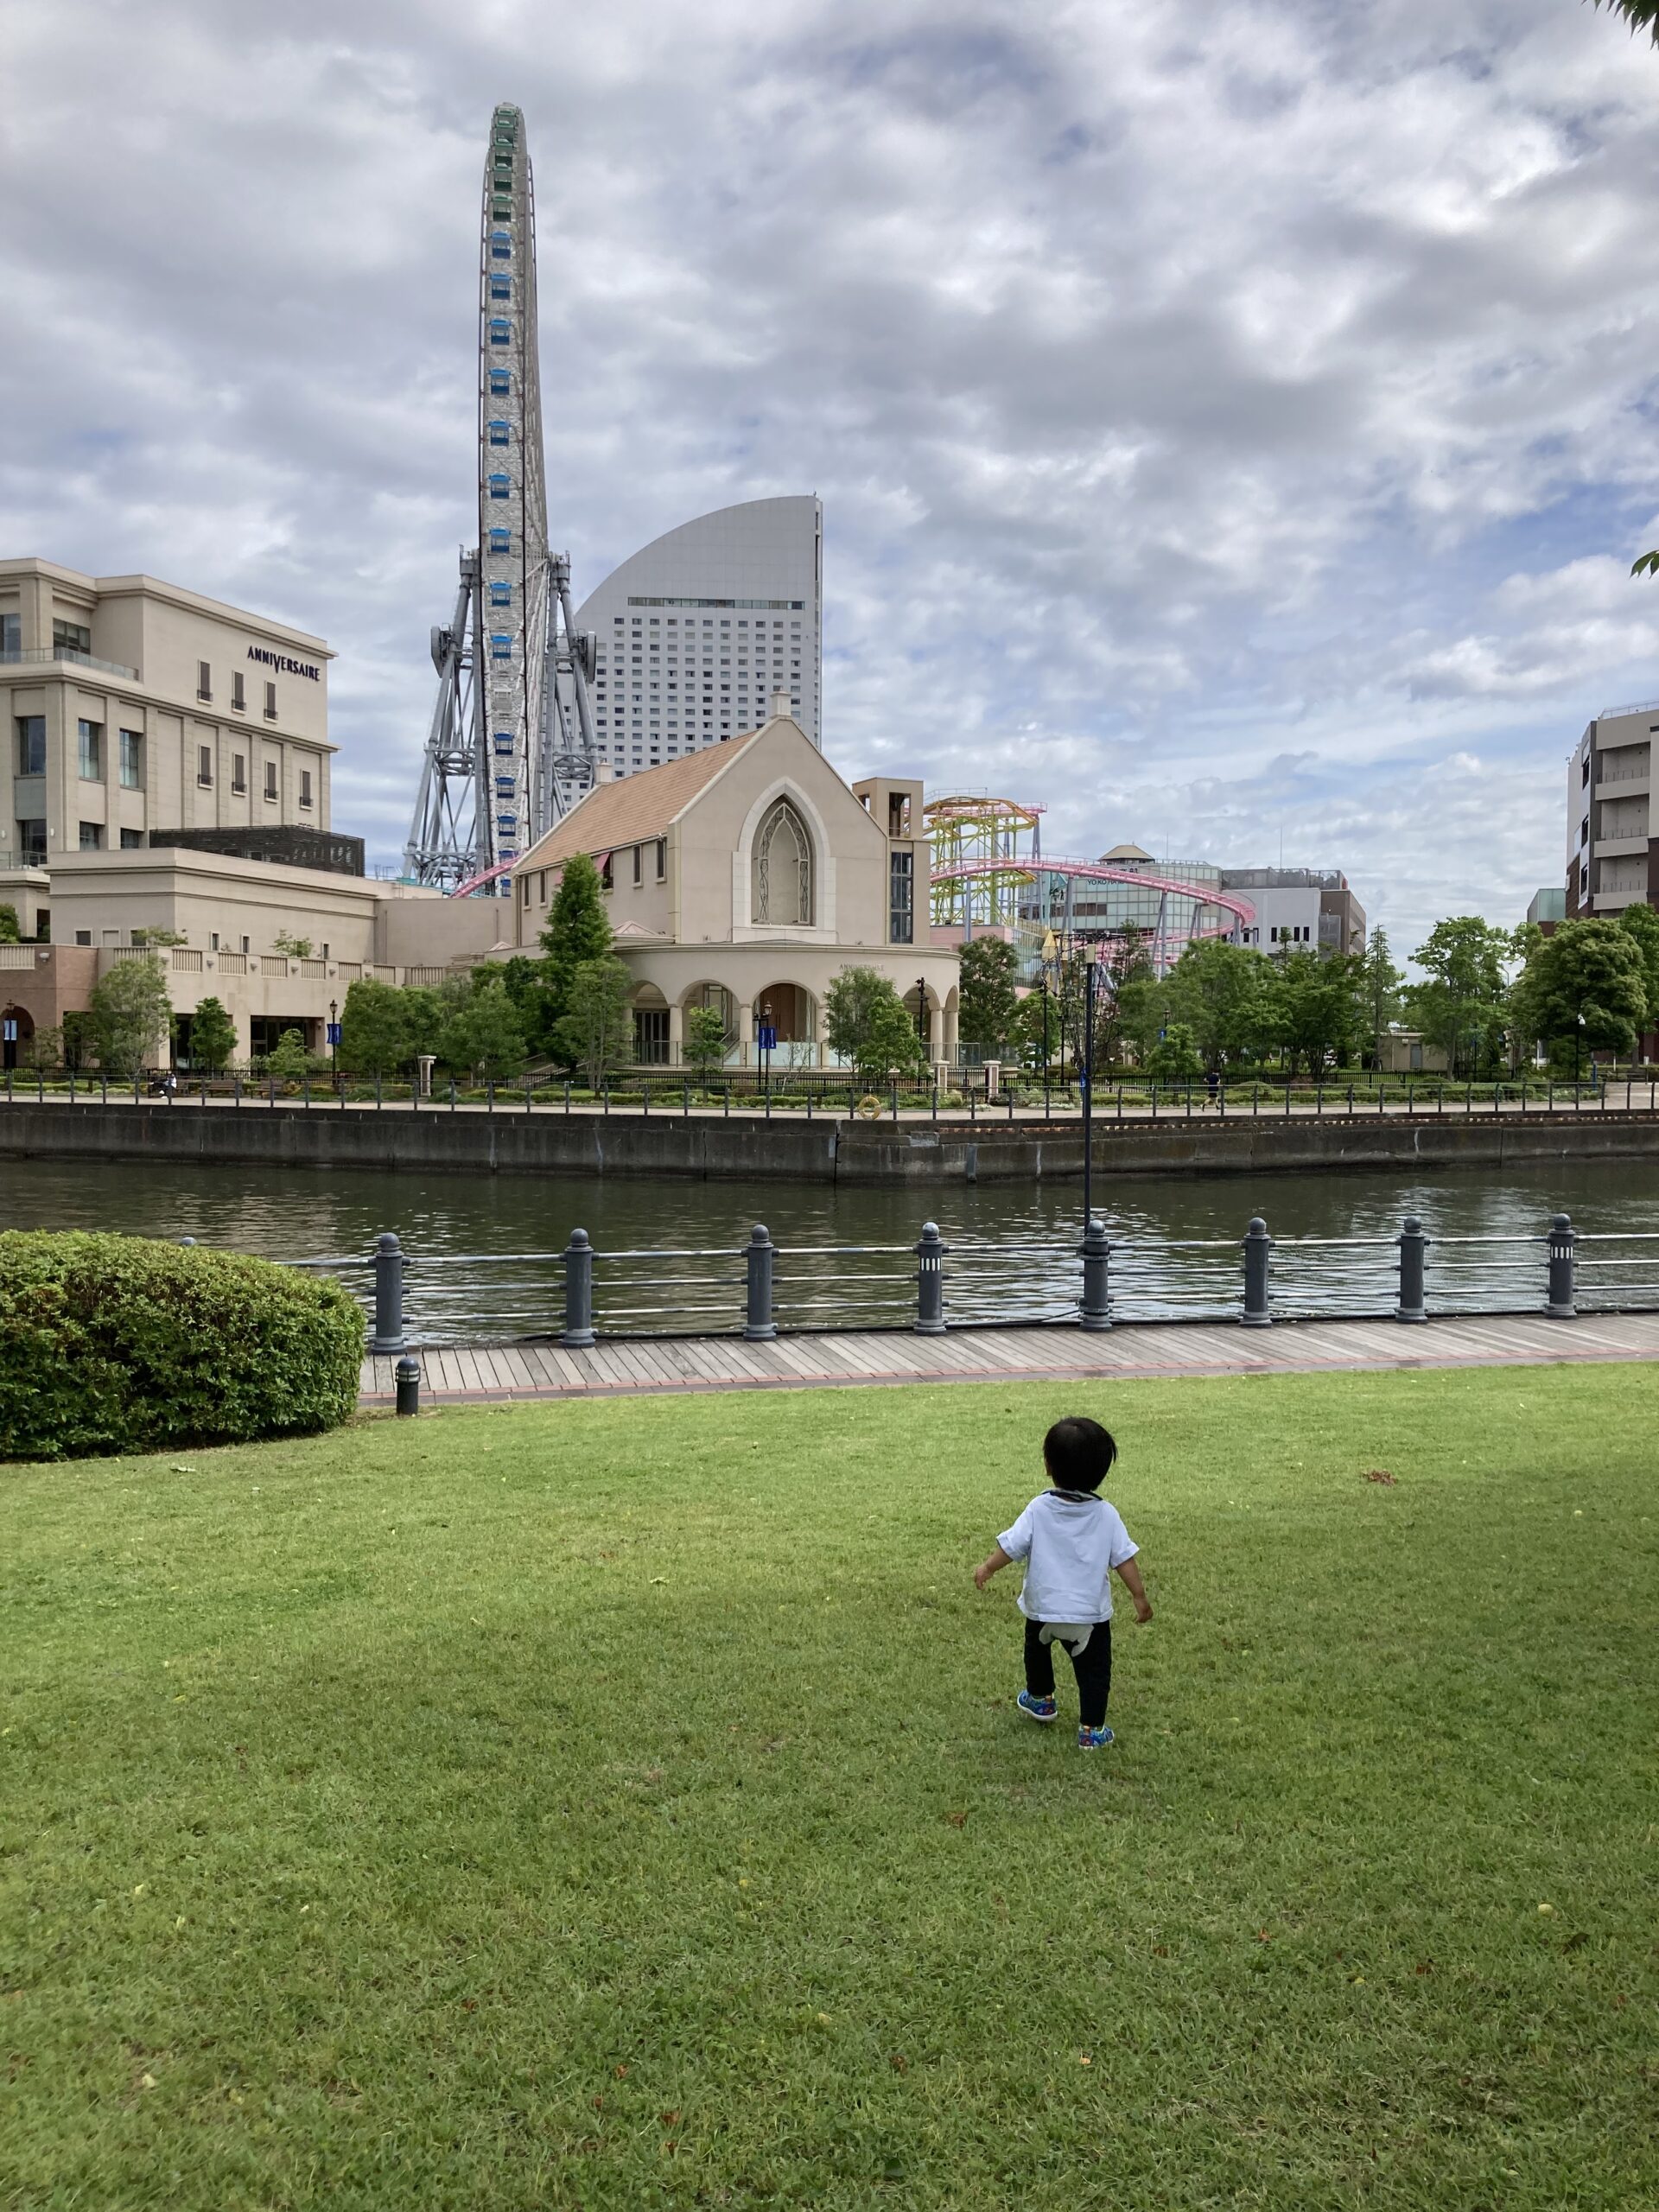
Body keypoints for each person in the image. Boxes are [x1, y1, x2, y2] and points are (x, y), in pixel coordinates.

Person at [974, 1414, 1152, 1750]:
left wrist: (987, 1568)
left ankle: (1041, 1698)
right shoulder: (1106, 1515)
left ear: (1048, 1466)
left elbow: (1011, 1547)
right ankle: (1092, 1729)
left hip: (1043, 1610)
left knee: (1037, 1651)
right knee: (1094, 1672)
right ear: (1101, 1472)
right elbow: (1124, 1560)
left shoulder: (1039, 1508)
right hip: (1089, 1617)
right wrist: (1139, 1596)